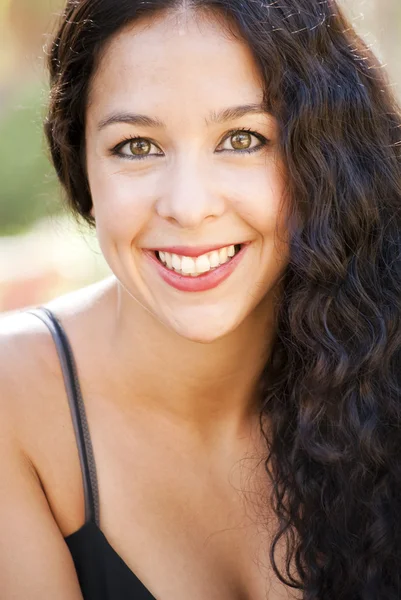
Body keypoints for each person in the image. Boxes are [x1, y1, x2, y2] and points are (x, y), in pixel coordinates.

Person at [1, 0, 400, 598]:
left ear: (327, 157)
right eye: (136, 146)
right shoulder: (15, 404)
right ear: (82, 167)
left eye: (243, 138)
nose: (187, 207)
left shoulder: (383, 355)